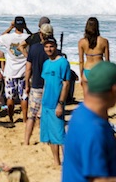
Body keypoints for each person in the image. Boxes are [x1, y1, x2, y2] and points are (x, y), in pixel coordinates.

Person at [39, 37, 70, 166]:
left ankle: (68, 162)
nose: (49, 49)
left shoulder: (63, 62)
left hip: (56, 104)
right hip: (46, 104)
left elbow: (66, 84)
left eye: (51, 46)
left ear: (56, 46)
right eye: (46, 46)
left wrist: (61, 104)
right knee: (50, 137)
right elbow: (45, 83)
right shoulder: (46, 63)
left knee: (60, 135)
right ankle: (56, 162)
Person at [23, 23, 54, 145]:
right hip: (49, 84)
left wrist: (26, 84)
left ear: (40, 34)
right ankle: (44, 139)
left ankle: (26, 141)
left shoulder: (34, 48)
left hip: (36, 84)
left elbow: (28, 69)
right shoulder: (52, 49)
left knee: (32, 115)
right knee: (45, 115)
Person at [0, 16, 30, 123]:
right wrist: (27, 28)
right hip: (24, 71)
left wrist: (9, 28)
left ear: (15, 25)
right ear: (23, 25)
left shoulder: (8, 37)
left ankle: (11, 119)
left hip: (10, 71)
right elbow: (36, 38)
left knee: (10, 97)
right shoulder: (28, 37)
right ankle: (24, 119)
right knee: (23, 97)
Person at [78, 17, 109, 96]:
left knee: (87, 101)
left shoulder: (81, 42)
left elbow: (81, 61)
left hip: (87, 71)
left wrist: (81, 75)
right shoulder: (104, 41)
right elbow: (107, 61)